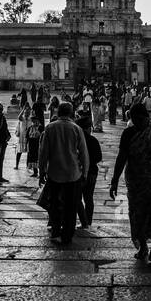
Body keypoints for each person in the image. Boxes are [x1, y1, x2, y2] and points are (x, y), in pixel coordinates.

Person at [108, 102, 151, 265]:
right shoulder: (128, 133)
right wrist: (114, 180)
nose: (139, 123)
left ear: (147, 117)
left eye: (141, 119)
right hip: (137, 183)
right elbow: (121, 157)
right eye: (135, 119)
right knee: (138, 216)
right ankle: (143, 248)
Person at [38, 102, 90, 245]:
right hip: (73, 174)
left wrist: (41, 171)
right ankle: (67, 235)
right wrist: (84, 172)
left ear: (58, 112)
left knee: (54, 205)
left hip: (55, 173)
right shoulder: (76, 128)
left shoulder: (49, 128)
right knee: (71, 206)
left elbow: (43, 153)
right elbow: (84, 154)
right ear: (71, 113)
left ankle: (55, 231)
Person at [76, 114, 104, 228]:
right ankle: (87, 221)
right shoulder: (93, 140)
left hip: (78, 172)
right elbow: (99, 157)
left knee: (77, 197)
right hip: (92, 172)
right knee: (88, 197)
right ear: (87, 128)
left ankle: (83, 221)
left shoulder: (77, 140)